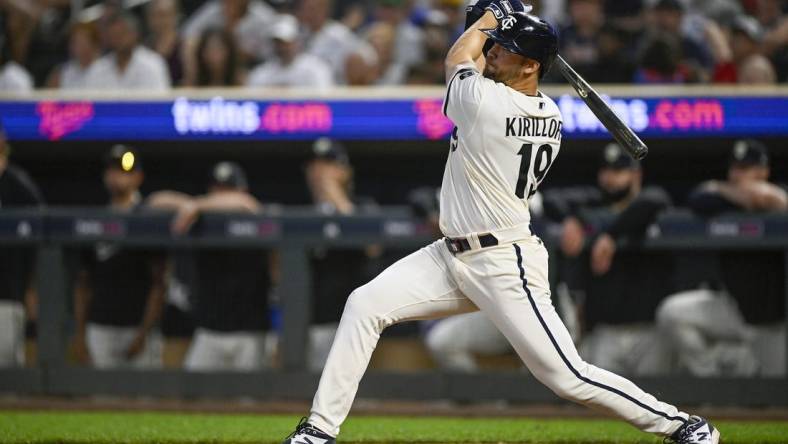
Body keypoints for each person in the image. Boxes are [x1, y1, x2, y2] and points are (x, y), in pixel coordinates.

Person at [282, 3, 718, 444]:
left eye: (506, 50)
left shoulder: (488, 104)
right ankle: (319, 431)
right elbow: (474, 55)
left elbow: (457, 57)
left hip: (504, 261)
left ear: (530, 65)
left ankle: (685, 426)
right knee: (365, 304)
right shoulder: (547, 111)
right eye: (496, 47)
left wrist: (490, 17)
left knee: (568, 376)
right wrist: (499, 23)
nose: (493, 52)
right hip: (450, 254)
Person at [657, 140, 787, 377]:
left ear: (764, 171)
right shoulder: (721, 203)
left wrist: (761, 197)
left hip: (774, 323)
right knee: (673, 312)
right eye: (735, 169)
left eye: (746, 169)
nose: (738, 175)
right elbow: (699, 198)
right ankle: (711, 378)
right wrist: (741, 194)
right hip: (733, 309)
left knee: (776, 398)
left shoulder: (779, 198)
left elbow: (776, 200)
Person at [544, 143, 674, 376]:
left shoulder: (649, 207)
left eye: (618, 171)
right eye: (606, 171)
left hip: (650, 333)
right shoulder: (591, 210)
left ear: (636, 174)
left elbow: (655, 199)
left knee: (658, 400)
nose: (609, 178)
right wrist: (573, 220)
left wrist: (610, 237)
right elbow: (551, 199)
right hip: (605, 333)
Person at [148, 162, 273, 372]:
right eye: (217, 190)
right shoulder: (201, 220)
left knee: (249, 402)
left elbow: (247, 203)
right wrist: (193, 205)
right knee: (193, 397)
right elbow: (155, 201)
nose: (222, 196)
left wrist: (197, 205)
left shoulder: (252, 215)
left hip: (249, 333)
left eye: (228, 190)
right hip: (209, 331)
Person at [73, 145, 165, 369]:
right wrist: (79, 333)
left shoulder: (148, 220)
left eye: (125, 171)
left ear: (138, 177)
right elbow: (83, 284)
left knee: (144, 400)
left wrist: (144, 332)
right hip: (100, 326)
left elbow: (159, 283)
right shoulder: (94, 222)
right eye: (113, 170)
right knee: (100, 399)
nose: (117, 177)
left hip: (137, 325)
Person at [304, 138, 376, 371]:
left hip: (355, 320)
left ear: (345, 172)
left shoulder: (363, 206)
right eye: (316, 166)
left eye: (329, 165)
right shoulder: (304, 213)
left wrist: (334, 194)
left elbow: (372, 246)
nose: (321, 172)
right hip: (315, 321)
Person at [0, 120, 44, 367]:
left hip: (6, 296)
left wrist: (31, 290)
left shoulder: (19, 187)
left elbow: (41, 242)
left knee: (5, 374)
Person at [85, 13, 171, 91]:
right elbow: (90, 102)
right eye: (114, 36)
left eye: (122, 34)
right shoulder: (98, 68)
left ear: (134, 34)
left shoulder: (153, 64)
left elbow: (161, 102)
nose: (119, 40)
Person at [246, 15, 334, 89]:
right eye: (278, 43)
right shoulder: (261, 73)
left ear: (297, 41)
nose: (282, 47)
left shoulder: (316, 69)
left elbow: (325, 100)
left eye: (286, 43)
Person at [46, 22, 101, 89]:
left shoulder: (106, 69)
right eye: (74, 41)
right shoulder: (61, 73)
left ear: (94, 44)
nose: (78, 46)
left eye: (82, 41)